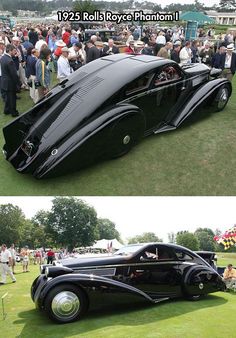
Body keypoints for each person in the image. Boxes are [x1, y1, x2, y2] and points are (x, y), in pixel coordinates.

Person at [0, 44, 21, 117]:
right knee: (12, 98)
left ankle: (6, 110)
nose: (15, 52)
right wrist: (19, 83)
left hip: (4, 81)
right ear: (10, 50)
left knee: (8, 98)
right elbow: (14, 74)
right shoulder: (10, 60)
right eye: (14, 51)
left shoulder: (3, 57)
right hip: (10, 83)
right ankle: (14, 112)